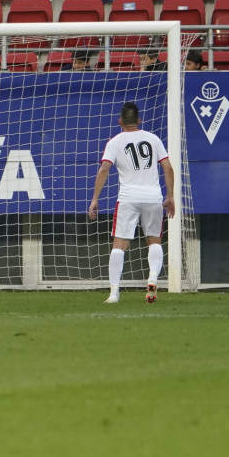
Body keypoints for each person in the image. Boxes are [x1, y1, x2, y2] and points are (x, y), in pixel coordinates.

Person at [87, 102, 175, 305]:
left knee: (119, 245)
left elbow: (104, 169)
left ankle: (114, 294)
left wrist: (95, 199)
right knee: (154, 241)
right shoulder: (153, 139)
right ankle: (152, 280)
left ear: (120, 122)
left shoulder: (115, 142)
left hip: (128, 198)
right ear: (139, 121)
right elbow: (168, 167)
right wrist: (170, 196)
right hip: (153, 197)